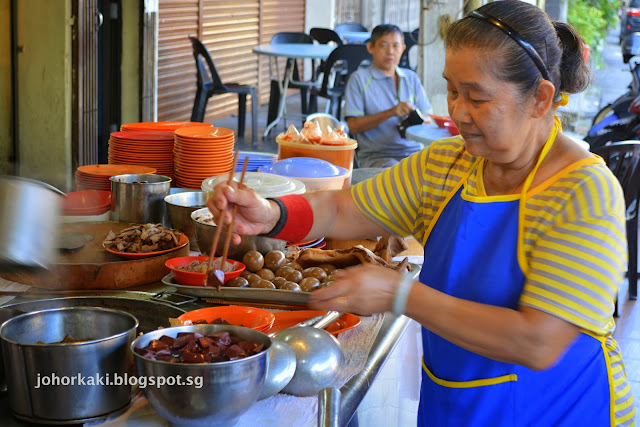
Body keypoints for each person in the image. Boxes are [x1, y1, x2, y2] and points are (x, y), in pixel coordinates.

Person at [208, 2, 635, 425]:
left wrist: (401, 295)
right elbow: (345, 208)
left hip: (562, 410)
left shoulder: (583, 194)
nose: (458, 112)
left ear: (540, 98)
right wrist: (271, 214)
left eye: (477, 97)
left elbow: (539, 342)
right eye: (451, 90)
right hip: (456, 403)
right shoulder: (448, 163)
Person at [344, 24, 433, 168]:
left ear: (403, 49)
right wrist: (391, 112)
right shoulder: (359, 78)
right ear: (370, 47)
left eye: (396, 46)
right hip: (379, 156)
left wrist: (417, 117)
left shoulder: (411, 77)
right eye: (383, 45)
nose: (390, 52)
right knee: (400, 178)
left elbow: (429, 118)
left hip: (415, 153)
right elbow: (353, 126)